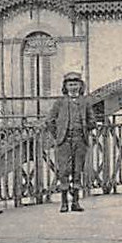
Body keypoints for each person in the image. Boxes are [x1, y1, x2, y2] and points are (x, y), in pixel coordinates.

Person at [44, 71, 94, 213]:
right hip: (64, 141)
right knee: (64, 170)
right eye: (70, 84)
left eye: (76, 84)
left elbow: (92, 120)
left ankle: (76, 202)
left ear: (80, 86)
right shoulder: (60, 103)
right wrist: (58, 135)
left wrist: (85, 129)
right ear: (65, 86)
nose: (73, 87)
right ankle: (64, 202)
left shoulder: (85, 102)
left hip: (80, 140)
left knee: (78, 170)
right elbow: (49, 120)